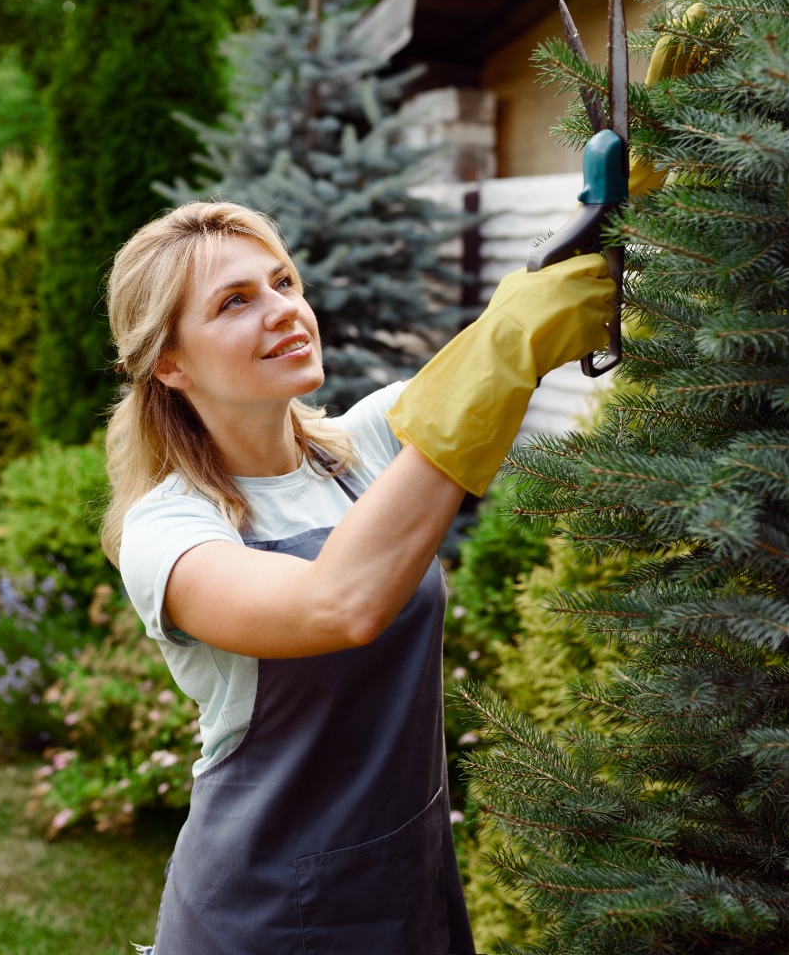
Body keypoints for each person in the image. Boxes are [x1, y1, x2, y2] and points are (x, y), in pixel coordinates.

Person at [103, 201, 615, 954]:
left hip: (406, 884)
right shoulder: (170, 532)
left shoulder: (365, 443)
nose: (284, 312)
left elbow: (488, 358)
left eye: (284, 282)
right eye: (235, 302)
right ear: (169, 365)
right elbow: (336, 605)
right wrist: (509, 343)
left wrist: (628, 184)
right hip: (264, 912)